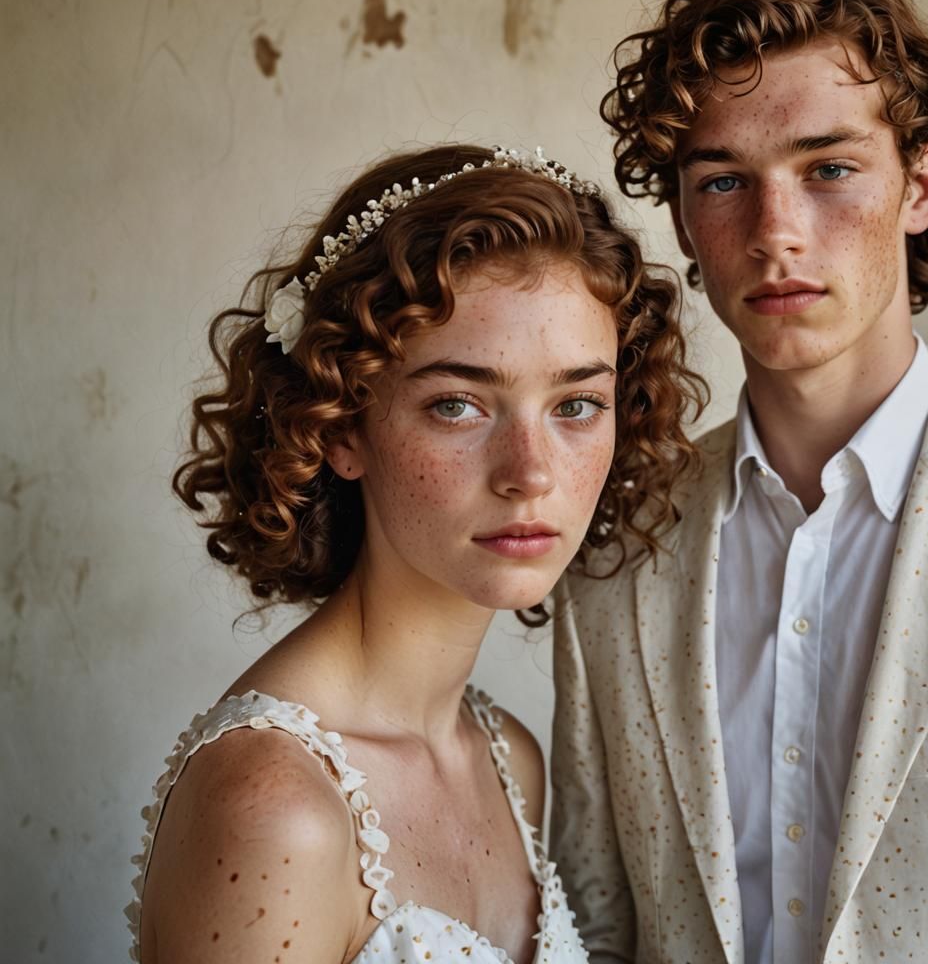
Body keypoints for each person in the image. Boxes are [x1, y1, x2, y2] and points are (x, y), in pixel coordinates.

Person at [551, 0, 928, 964]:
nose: (775, 233)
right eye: (724, 180)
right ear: (683, 216)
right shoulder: (614, 548)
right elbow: (596, 921)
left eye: (828, 168)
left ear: (921, 182)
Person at [125, 143, 705, 964]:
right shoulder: (277, 808)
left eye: (576, 404)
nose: (531, 473)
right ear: (341, 427)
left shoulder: (509, 759)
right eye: (460, 405)